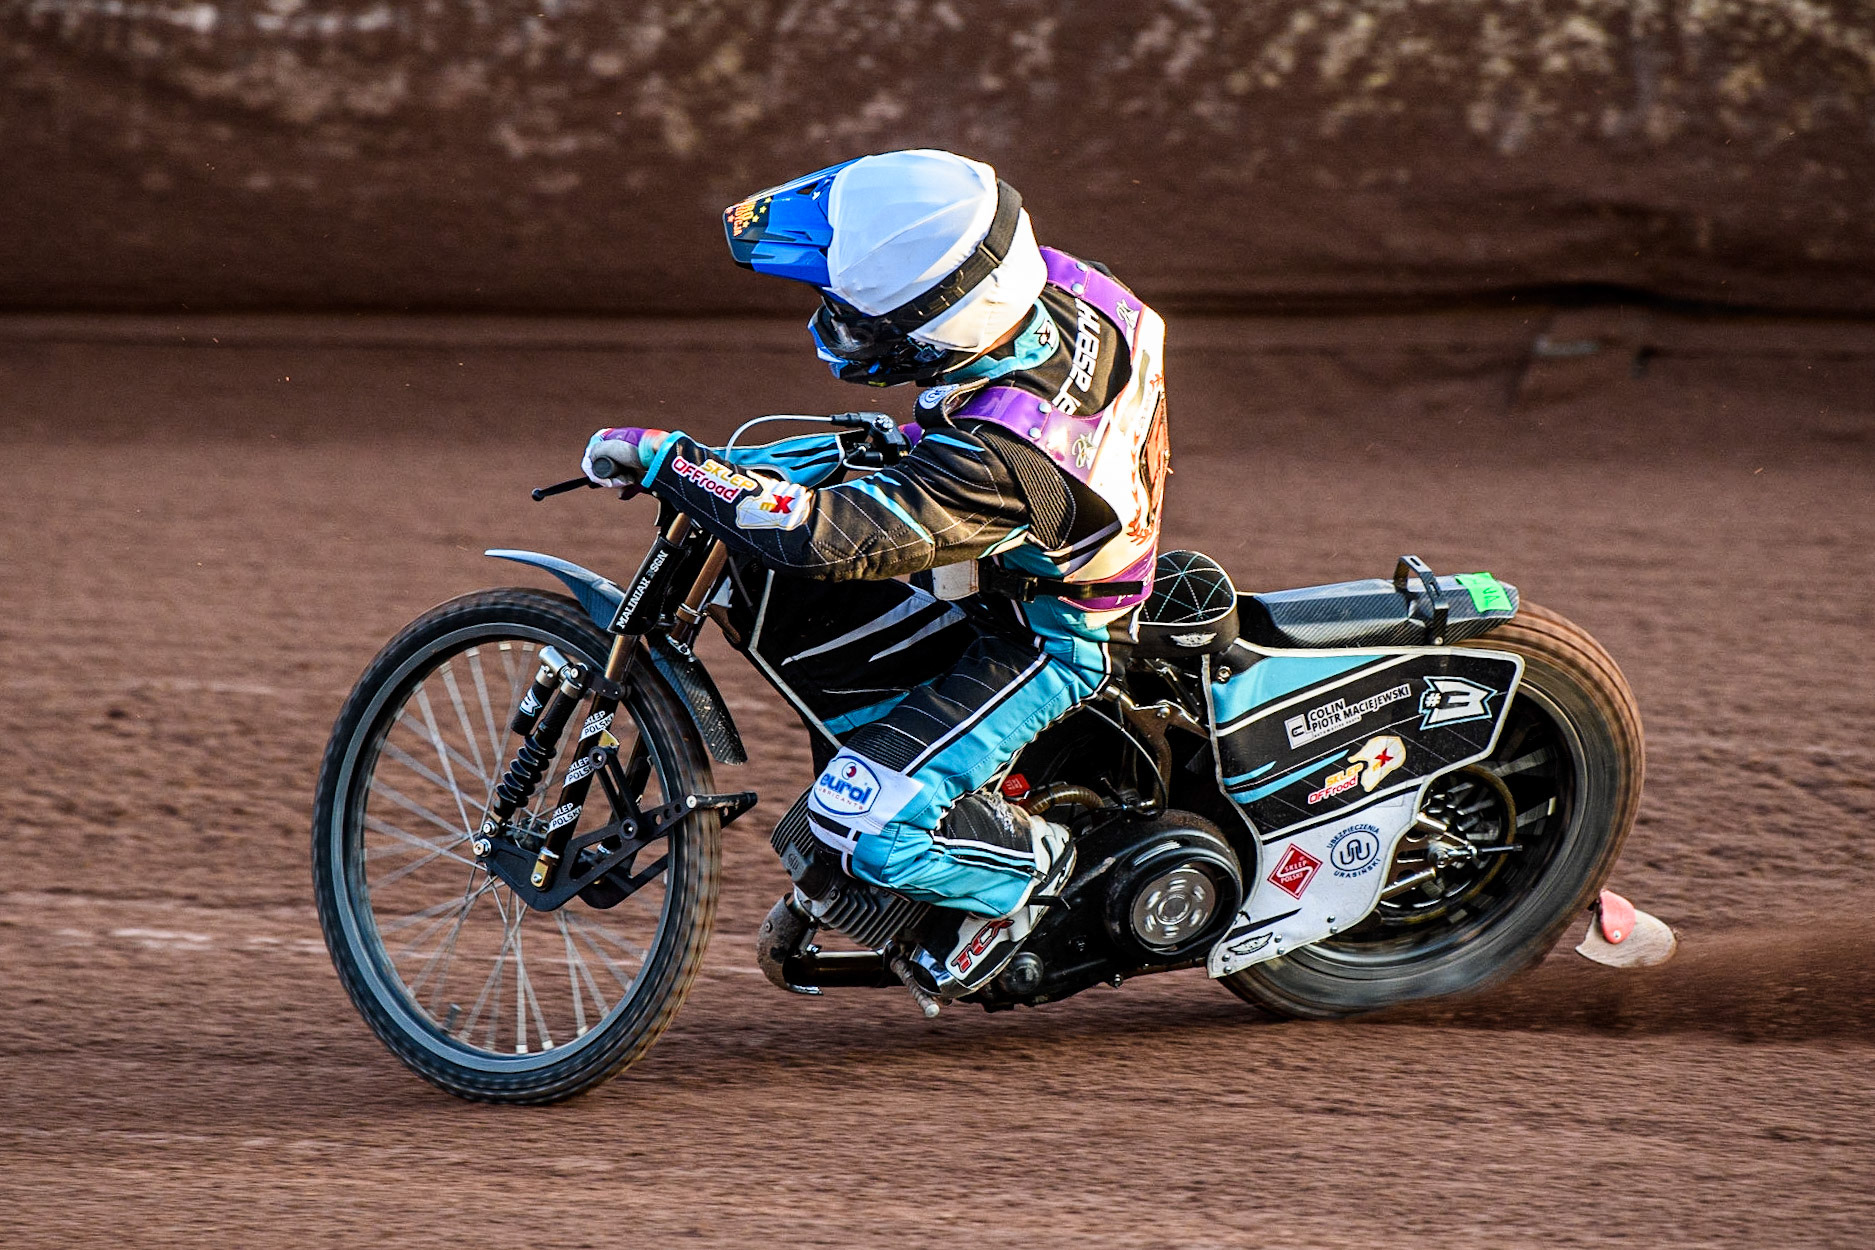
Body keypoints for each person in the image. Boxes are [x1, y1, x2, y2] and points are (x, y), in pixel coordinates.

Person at [579, 150, 1169, 987]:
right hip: (1021, 533)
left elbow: (823, 537)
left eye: (857, 317)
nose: (838, 326)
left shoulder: (1002, 459)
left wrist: (672, 463)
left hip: (1045, 634)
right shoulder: (1057, 280)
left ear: (940, 326)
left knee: (860, 823)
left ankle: (1040, 875)